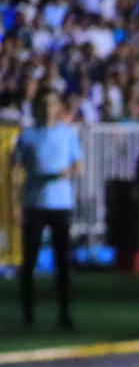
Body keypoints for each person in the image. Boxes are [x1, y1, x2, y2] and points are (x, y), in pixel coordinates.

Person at [12, 87, 83, 330]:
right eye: (43, 105)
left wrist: (69, 171)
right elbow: (15, 170)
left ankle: (64, 312)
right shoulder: (28, 135)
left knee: (62, 260)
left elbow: (78, 165)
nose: (48, 109)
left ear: (58, 107)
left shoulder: (67, 134)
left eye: (52, 104)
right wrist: (16, 203)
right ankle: (27, 312)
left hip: (60, 203)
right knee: (29, 260)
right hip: (34, 203)